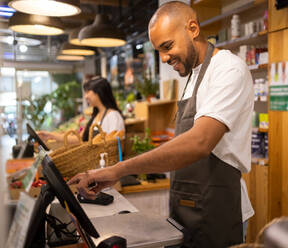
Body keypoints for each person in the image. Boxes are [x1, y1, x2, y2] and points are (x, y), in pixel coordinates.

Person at [69, 2, 254, 247]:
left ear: (193, 29)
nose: (164, 58)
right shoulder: (191, 77)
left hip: (218, 209)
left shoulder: (228, 69)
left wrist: (118, 170)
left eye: (167, 46)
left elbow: (199, 142)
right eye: (159, 50)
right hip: (185, 209)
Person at [38, 77, 125, 143]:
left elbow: (115, 145)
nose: (86, 96)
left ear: (99, 92)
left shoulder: (113, 116)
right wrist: (50, 135)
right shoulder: (96, 116)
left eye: (88, 92)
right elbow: (80, 138)